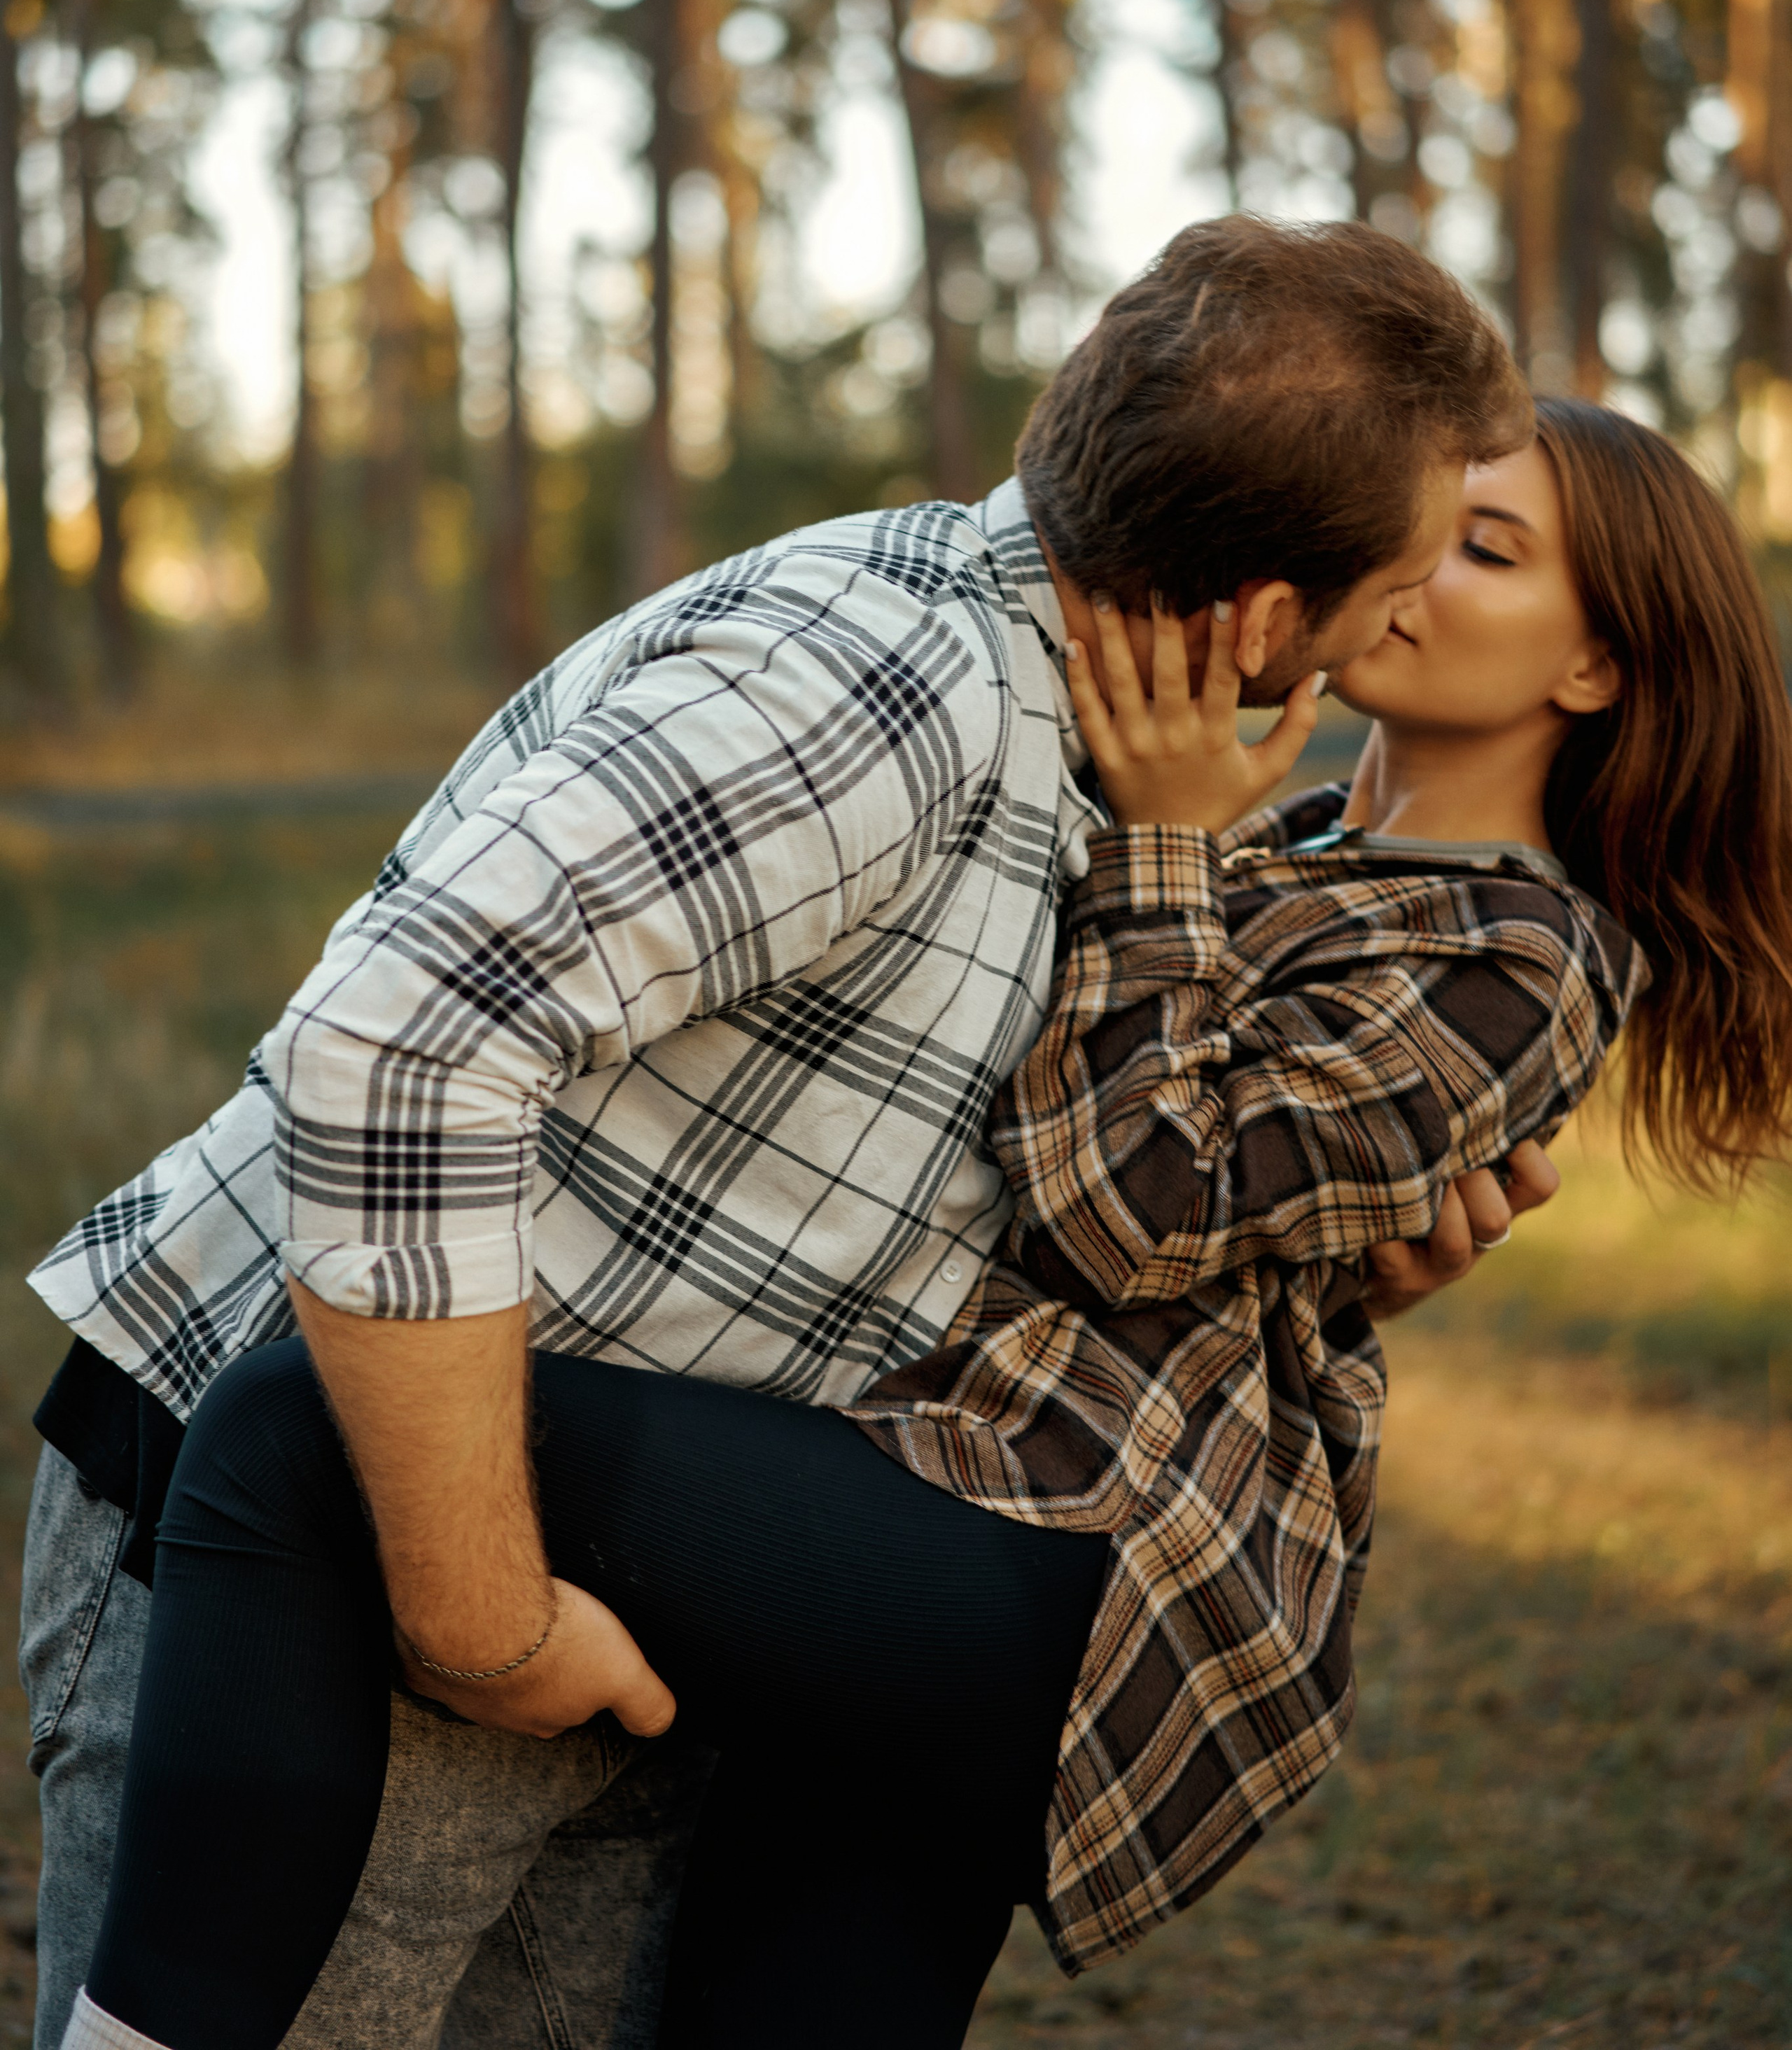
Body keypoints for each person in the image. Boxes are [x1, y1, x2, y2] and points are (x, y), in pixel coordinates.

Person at [50, 398, 1792, 2050]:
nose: (1412, 573)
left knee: (289, 1427)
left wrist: (1171, 849)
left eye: (1483, 551)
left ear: (1592, 662)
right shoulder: (1302, 844)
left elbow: (1132, 1213)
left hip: (1071, 1559)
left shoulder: (1522, 956)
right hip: (922, 1494)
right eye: (1419, 531)